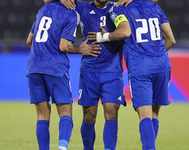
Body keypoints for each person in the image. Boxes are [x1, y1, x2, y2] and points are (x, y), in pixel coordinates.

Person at [88, 0, 176, 149]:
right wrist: (156, 56)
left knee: (145, 114)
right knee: (154, 112)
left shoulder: (118, 9)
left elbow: (124, 31)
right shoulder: (154, 6)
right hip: (163, 65)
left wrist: (103, 37)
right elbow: (171, 40)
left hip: (140, 67)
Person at [46, 0, 134, 149]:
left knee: (112, 114)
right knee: (88, 116)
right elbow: (47, 1)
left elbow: (125, 30)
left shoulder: (116, 9)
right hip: (89, 71)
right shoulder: (82, 7)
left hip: (112, 71)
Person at [26, 1, 101, 150]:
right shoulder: (71, 13)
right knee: (65, 111)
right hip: (55, 67)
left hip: (33, 66)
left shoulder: (43, 9)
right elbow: (64, 46)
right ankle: (62, 147)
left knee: (42, 114)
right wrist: (81, 49)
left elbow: (29, 41)